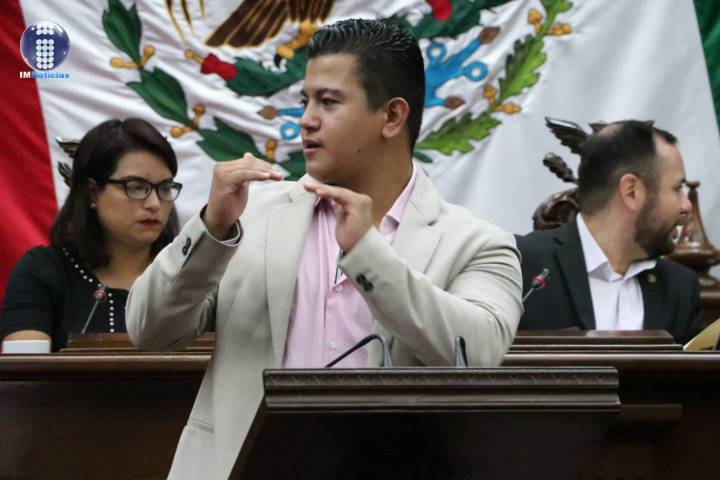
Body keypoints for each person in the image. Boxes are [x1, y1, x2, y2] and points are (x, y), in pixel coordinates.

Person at [126, 19, 522, 479]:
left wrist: (369, 256)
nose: (306, 120)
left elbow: (477, 356)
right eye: (305, 101)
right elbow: (149, 331)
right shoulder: (249, 216)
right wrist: (212, 228)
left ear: (392, 117)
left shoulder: (477, 243)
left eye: (328, 102)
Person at [1, 118, 181, 352]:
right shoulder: (43, 270)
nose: (154, 203)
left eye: (165, 188)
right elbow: (24, 370)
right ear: (93, 193)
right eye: (136, 187)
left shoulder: (189, 271)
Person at [518, 120, 703, 343]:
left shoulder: (679, 288)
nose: (686, 206)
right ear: (631, 192)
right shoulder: (521, 266)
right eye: (677, 189)